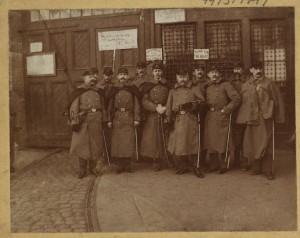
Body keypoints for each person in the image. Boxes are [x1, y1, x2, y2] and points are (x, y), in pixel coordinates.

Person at [236, 62, 285, 180]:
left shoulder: (269, 83)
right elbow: (242, 102)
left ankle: (268, 170)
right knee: (253, 143)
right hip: (251, 118)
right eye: (255, 68)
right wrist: (243, 117)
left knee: (266, 143)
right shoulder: (246, 85)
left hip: (265, 118)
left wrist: (277, 116)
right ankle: (257, 168)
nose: (258, 71)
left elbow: (277, 99)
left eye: (259, 68)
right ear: (251, 70)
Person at [165, 67, 206, 178]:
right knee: (180, 144)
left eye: (184, 77)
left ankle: (195, 166)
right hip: (177, 120)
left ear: (188, 77)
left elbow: (202, 102)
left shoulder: (194, 88)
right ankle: (183, 166)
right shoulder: (173, 91)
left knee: (193, 142)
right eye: (180, 77)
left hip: (190, 119)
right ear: (176, 78)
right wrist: (168, 120)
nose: (182, 79)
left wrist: (192, 104)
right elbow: (169, 107)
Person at [67, 70, 106, 179]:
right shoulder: (79, 91)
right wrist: (74, 121)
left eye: (93, 77)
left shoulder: (99, 91)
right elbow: (74, 107)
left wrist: (104, 120)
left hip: (96, 120)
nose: (92, 78)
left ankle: (92, 168)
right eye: (89, 77)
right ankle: (82, 169)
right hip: (83, 121)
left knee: (95, 145)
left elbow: (103, 107)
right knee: (82, 146)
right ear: (84, 78)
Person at [203, 65, 241, 174]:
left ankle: (224, 165)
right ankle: (213, 165)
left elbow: (236, 99)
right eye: (211, 72)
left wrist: (227, 110)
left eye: (216, 72)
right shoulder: (207, 86)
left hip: (222, 116)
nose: (214, 74)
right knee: (211, 141)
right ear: (208, 75)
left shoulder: (226, 85)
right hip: (210, 116)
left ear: (220, 74)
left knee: (224, 142)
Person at [106, 67, 141, 174]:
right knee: (118, 143)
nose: (122, 77)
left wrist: (136, 118)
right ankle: (120, 166)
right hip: (117, 118)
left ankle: (128, 165)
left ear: (128, 76)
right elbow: (109, 106)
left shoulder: (132, 88)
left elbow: (137, 105)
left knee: (128, 142)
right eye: (120, 74)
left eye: (124, 75)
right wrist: (109, 120)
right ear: (117, 76)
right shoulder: (114, 88)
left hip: (129, 117)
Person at [140, 63, 169, 171]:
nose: (157, 73)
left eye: (159, 71)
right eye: (155, 71)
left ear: (162, 72)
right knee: (154, 138)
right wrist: (155, 108)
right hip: (153, 115)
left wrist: (165, 108)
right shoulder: (148, 85)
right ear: (152, 72)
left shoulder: (167, 84)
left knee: (165, 136)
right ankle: (156, 160)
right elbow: (144, 101)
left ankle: (167, 157)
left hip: (165, 114)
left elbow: (171, 99)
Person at [228, 62, 248, 169]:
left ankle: (245, 161)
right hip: (234, 112)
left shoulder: (247, 81)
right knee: (236, 136)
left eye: (239, 69)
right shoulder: (229, 82)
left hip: (245, 111)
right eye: (235, 69)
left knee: (246, 136)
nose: (237, 71)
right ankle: (236, 159)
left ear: (243, 70)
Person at [192, 63, 208, 168]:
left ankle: (202, 160)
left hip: (206, 113)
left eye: (201, 70)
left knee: (204, 136)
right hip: (193, 113)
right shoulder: (191, 83)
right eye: (197, 69)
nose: (199, 72)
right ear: (194, 72)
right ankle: (193, 159)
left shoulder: (208, 83)